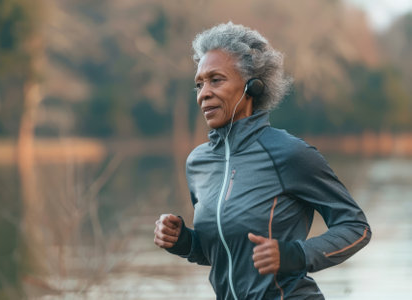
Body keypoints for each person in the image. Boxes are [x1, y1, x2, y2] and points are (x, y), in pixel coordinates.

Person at [153, 22, 371, 300]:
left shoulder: (289, 153)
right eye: (199, 83)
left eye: (216, 79)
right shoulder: (198, 162)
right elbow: (225, 253)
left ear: (253, 86)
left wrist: (295, 255)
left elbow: (356, 227)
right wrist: (183, 241)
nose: (203, 93)